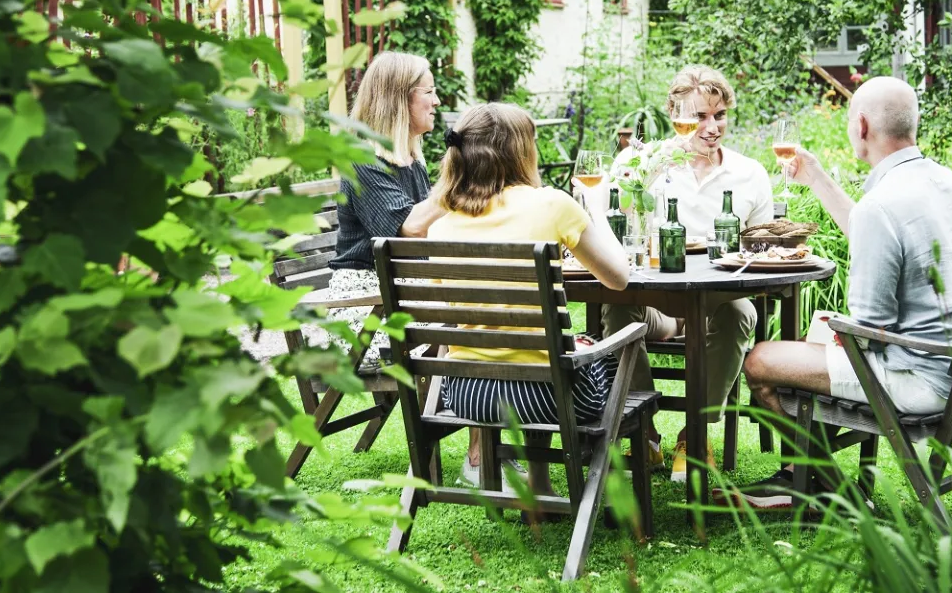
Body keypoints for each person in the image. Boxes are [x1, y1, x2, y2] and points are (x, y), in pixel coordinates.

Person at [731, 76, 952, 509]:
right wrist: (816, 178)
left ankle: (835, 490)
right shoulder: (941, 180)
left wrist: (832, 335)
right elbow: (869, 229)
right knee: (816, 334)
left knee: (761, 361)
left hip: (920, 379)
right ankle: (802, 480)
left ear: (861, 126)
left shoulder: (883, 204)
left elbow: (869, 329)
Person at [427, 103, 630, 486]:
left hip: (468, 396)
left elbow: (449, 318)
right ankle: (630, 467)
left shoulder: (441, 228)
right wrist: (599, 210)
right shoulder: (552, 204)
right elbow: (618, 278)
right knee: (613, 358)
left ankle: (539, 481)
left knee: (551, 356)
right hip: (550, 399)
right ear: (521, 150)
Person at [601, 65, 774, 481]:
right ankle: (644, 432)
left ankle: (694, 433)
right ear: (675, 114)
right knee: (616, 309)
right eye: (700, 116)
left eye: (720, 115)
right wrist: (638, 178)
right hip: (656, 303)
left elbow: (761, 249)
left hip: (716, 301)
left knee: (741, 313)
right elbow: (611, 230)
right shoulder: (645, 163)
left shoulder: (749, 173)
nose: (712, 127)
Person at [307, 52, 445, 356]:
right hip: (368, 317)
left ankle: (464, 403)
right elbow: (410, 227)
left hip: (402, 300)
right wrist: (463, 181)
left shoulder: (411, 162)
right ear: (399, 99)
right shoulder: (364, 162)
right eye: (429, 91)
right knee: (472, 329)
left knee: (485, 319)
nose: (437, 101)